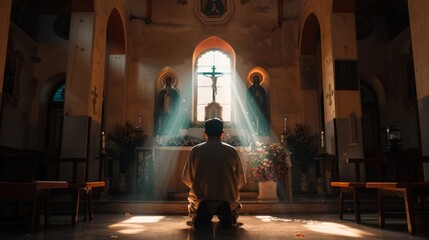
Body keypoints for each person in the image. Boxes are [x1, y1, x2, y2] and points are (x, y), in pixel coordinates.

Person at [182, 118, 246, 229]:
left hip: (201, 198)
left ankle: (202, 212)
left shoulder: (196, 150)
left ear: (205, 134)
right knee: (233, 203)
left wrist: (199, 187)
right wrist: (230, 189)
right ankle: (228, 213)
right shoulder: (232, 151)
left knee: (194, 202)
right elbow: (241, 179)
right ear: (222, 134)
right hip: (227, 198)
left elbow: (186, 178)